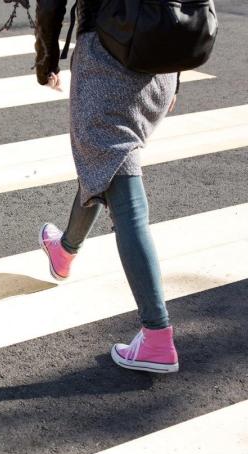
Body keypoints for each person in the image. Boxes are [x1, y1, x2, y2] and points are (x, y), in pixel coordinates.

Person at [34, 0, 180, 373]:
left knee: (124, 193)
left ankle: (157, 335)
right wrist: (176, 72)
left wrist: (46, 59)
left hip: (108, 59)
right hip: (160, 60)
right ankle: (65, 250)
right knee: (106, 160)